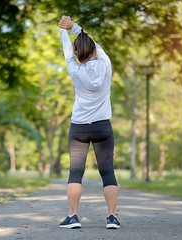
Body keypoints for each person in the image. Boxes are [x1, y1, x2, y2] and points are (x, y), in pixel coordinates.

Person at [58, 15, 120, 230]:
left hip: (79, 128)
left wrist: (63, 30)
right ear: (95, 50)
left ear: (78, 54)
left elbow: (68, 51)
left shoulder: (74, 69)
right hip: (103, 126)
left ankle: (73, 217)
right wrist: (75, 27)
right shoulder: (106, 64)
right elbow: (94, 44)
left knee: (76, 172)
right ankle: (112, 217)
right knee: (108, 172)